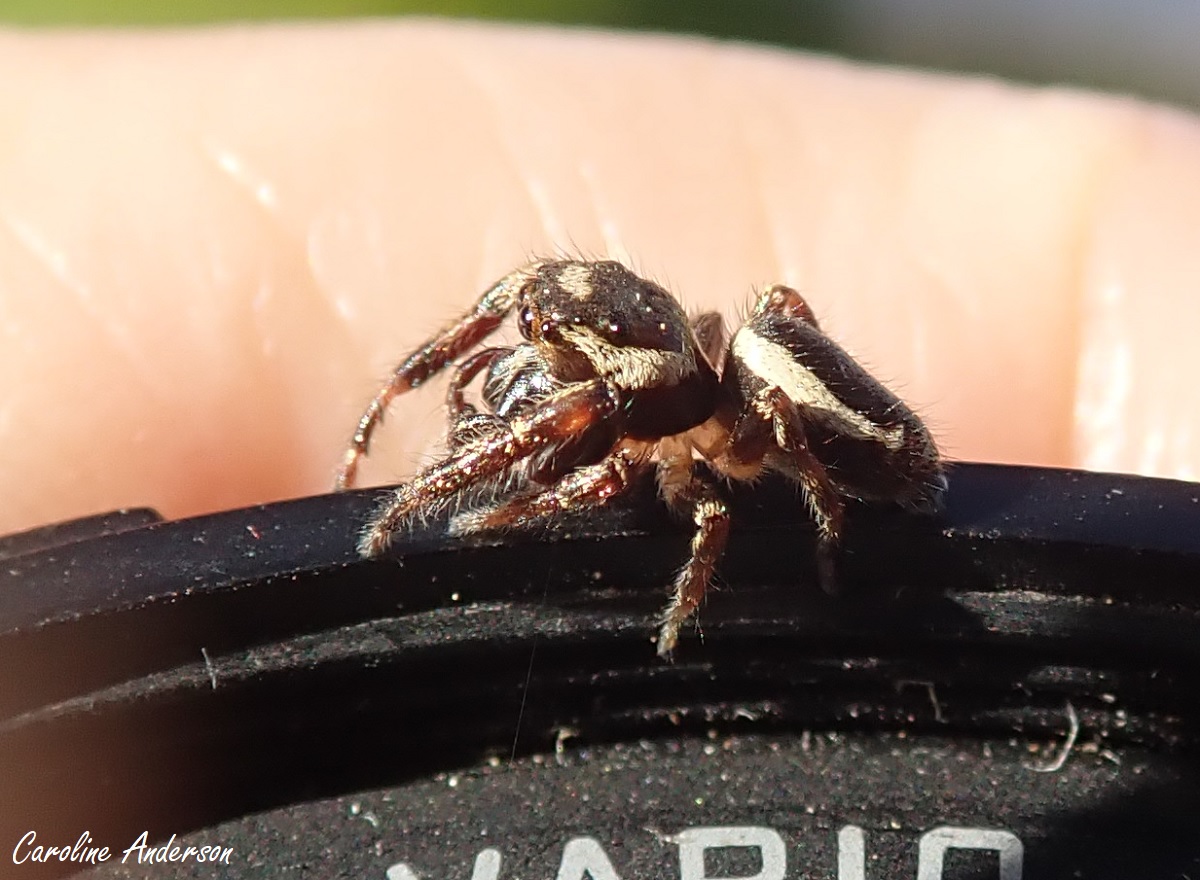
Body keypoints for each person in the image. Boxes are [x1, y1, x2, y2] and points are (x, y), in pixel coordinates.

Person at [3, 19, 1198, 538]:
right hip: (737, 393)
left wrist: (423, 505)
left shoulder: (685, 419)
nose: (545, 368)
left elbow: (622, 435)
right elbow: (547, 345)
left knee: (752, 359)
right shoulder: (641, 373)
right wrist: (406, 394)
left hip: (867, 457)